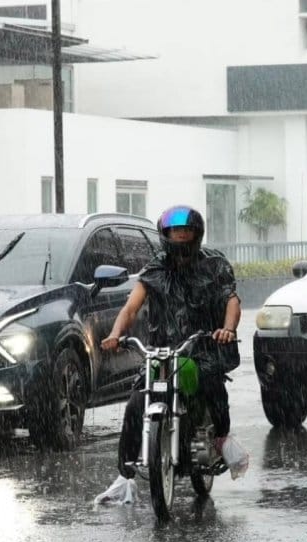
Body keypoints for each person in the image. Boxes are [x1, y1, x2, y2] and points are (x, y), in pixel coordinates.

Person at [95, 205, 249, 504]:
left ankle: (220, 440)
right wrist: (115, 335)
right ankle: (125, 474)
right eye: (174, 231)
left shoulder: (215, 264)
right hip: (163, 351)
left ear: (196, 234)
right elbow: (130, 308)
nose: (180, 235)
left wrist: (227, 329)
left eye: (186, 231)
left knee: (213, 390)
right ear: (165, 235)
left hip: (203, 346)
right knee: (137, 401)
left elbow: (231, 300)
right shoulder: (154, 269)